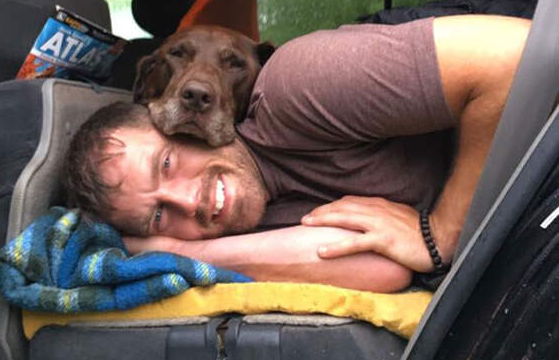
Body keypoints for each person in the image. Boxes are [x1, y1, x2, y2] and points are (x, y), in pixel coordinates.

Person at [64, 15, 530, 292]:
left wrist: (443, 232)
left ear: (165, 120)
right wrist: (179, 250)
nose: (190, 201)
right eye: (157, 216)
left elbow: (516, 54)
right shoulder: (243, 216)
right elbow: (382, 268)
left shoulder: (295, 87)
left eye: (166, 165)